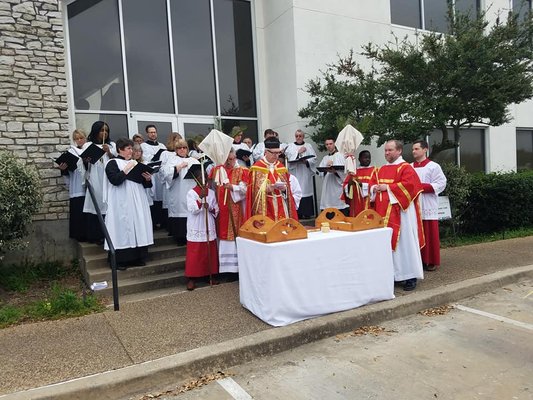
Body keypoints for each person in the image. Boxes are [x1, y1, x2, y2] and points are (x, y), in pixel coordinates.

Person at [370, 140, 425, 291]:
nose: (386, 153)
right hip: (383, 213)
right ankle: (394, 275)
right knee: (388, 244)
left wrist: (387, 187)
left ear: (399, 151)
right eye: (385, 150)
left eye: (390, 150)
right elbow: (372, 185)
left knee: (405, 243)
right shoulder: (380, 169)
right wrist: (374, 188)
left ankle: (410, 276)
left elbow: (410, 186)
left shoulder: (406, 168)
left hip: (403, 213)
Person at [103, 137, 154, 270]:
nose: (131, 151)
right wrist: (127, 169)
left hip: (137, 200)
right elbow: (114, 180)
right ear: (120, 149)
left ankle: (137, 257)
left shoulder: (135, 163)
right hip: (120, 201)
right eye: (128, 148)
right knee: (122, 228)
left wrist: (147, 179)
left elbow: (144, 184)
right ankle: (120, 260)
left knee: (137, 225)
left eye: (132, 148)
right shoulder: (112, 163)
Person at [210, 148, 248, 279]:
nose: (230, 162)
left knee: (233, 235)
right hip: (221, 207)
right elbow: (212, 186)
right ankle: (224, 269)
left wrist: (233, 187)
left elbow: (245, 189)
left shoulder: (242, 170)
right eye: (228, 160)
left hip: (235, 207)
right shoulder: (218, 170)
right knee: (222, 236)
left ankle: (236, 269)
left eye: (232, 159)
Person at [411, 139, 447, 272]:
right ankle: (417, 260)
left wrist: (422, 187)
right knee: (415, 232)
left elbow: (441, 183)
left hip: (427, 202)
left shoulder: (433, 166)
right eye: (413, 149)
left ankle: (431, 260)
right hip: (414, 203)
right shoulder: (409, 167)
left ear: (425, 150)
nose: (414, 151)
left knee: (429, 232)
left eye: (416, 149)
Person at [246, 137, 298, 221]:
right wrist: (267, 188)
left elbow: (287, 190)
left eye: (278, 153)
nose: (276, 155)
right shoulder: (257, 168)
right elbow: (253, 192)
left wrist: (285, 189)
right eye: (274, 153)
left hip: (280, 203)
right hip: (265, 206)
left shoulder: (281, 167)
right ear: (266, 152)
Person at [185, 164, 219, 291]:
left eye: (205, 177)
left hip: (208, 222)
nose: (203, 180)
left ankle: (210, 275)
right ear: (195, 178)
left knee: (208, 250)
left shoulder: (211, 192)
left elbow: (216, 208)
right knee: (196, 252)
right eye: (200, 177)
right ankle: (192, 278)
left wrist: (209, 207)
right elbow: (192, 209)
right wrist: (200, 198)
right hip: (196, 223)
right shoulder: (191, 193)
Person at [160, 138, 200, 245]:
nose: (182, 150)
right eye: (179, 148)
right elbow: (166, 175)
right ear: (176, 150)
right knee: (180, 212)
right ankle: (180, 238)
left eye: (184, 148)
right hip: (178, 191)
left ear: (187, 149)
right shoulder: (172, 160)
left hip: (191, 189)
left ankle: (192, 235)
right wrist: (179, 167)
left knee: (190, 210)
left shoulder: (194, 160)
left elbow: (199, 175)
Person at [83, 121, 116, 245]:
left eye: (106, 130)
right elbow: (82, 165)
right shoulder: (88, 145)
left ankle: (109, 234)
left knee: (108, 206)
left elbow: (118, 160)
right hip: (95, 179)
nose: (104, 133)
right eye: (102, 130)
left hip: (108, 180)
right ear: (96, 131)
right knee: (96, 205)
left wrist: (108, 152)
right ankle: (95, 236)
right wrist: (86, 161)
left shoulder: (111, 145)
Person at [58, 129, 89, 242]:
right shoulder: (71, 151)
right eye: (77, 139)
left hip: (90, 184)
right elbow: (68, 172)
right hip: (77, 184)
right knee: (79, 211)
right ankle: (80, 235)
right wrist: (64, 169)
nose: (79, 140)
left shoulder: (90, 149)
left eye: (81, 138)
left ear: (85, 138)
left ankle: (91, 234)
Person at [284, 129, 318, 219]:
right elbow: (288, 158)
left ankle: (307, 213)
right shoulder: (290, 146)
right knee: (296, 190)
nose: (298, 137)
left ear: (303, 137)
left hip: (305, 172)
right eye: (297, 136)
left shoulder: (308, 146)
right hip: (295, 172)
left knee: (306, 191)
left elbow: (314, 158)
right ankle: (297, 213)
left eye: (300, 136)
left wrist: (307, 161)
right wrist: (298, 153)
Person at [140, 124, 166, 230]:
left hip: (160, 174)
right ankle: (154, 223)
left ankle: (162, 221)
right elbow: (145, 159)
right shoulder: (143, 146)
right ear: (147, 134)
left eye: (154, 132)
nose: (153, 134)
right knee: (152, 197)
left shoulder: (162, 146)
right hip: (151, 174)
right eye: (151, 132)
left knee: (161, 197)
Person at [318, 137, 348, 215]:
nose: (329, 146)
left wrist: (335, 172)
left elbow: (345, 173)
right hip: (328, 187)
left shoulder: (340, 156)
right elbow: (320, 173)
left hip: (337, 186)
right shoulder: (325, 158)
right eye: (327, 144)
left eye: (330, 144)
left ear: (334, 144)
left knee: (339, 206)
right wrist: (326, 170)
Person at [342, 150, 377, 217]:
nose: (367, 159)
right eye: (365, 158)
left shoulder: (374, 170)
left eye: (369, 158)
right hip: (355, 202)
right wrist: (350, 184)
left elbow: (375, 186)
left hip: (368, 201)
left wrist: (361, 185)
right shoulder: (354, 171)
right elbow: (345, 186)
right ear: (359, 159)